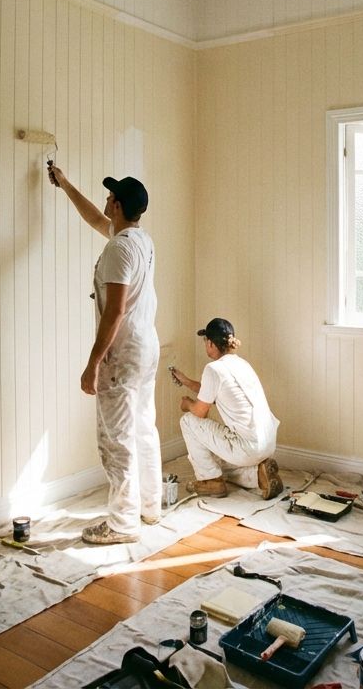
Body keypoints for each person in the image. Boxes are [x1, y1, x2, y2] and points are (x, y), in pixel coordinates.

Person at [49, 165, 162, 545]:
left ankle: (121, 524)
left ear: (117, 204)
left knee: (116, 439)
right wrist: (65, 184)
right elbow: (96, 219)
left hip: (123, 354)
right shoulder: (139, 240)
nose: (106, 202)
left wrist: (93, 363)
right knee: (143, 429)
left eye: (110, 197)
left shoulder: (117, 250)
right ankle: (150, 507)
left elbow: (114, 311)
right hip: (146, 348)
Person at [169, 318, 283, 500]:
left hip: (248, 448)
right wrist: (185, 381)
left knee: (188, 421)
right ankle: (258, 475)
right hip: (267, 444)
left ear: (211, 343)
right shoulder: (241, 364)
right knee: (221, 463)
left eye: (206, 341)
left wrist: (187, 404)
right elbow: (216, 392)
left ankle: (210, 481)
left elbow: (200, 412)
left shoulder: (213, 369)